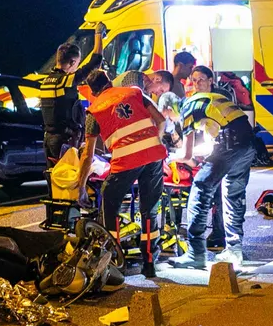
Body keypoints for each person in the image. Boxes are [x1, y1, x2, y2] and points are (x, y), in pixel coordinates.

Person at [76, 70, 168, 278]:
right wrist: (155, 142)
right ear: (109, 81)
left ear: (93, 91)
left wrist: (81, 186)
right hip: (154, 156)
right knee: (149, 210)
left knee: (108, 203)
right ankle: (150, 263)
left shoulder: (95, 110)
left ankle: (114, 264)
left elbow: (87, 154)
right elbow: (161, 120)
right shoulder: (135, 92)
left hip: (126, 159)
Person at [168, 65, 255, 269]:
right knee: (232, 195)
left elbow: (187, 154)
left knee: (200, 189)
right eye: (194, 80)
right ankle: (235, 250)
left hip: (229, 145)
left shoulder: (190, 104)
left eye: (200, 80)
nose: (197, 84)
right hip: (247, 144)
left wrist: (172, 158)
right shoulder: (216, 99)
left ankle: (195, 253)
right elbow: (214, 139)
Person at [39, 23, 105, 168]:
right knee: (68, 180)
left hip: (49, 140)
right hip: (64, 141)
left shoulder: (46, 82)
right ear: (72, 62)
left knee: (55, 180)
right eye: (77, 64)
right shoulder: (65, 81)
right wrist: (98, 34)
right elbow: (95, 62)